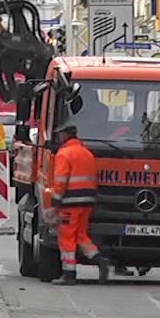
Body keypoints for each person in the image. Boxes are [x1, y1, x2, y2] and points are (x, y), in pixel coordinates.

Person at [50, 121, 111, 285]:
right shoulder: (86, 153)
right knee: (81, 235)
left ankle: (69, 275)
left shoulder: (64, 154)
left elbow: (61, 180)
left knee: (67, 237)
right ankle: (99, 260)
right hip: (87, 202)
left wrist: (55, 201)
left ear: (65, 135)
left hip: (70, 202)